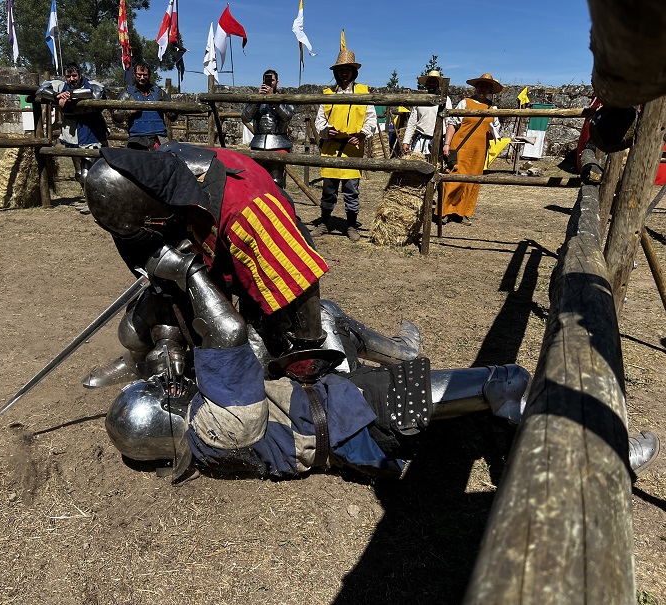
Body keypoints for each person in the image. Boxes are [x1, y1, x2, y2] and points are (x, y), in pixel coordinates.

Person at [101, 239, 661, 481]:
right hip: (362, 419)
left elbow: (190, 355)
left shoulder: (203, 434)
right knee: (505, 379)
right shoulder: (221, 423)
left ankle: (412, 360)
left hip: (337, 404)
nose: (168, 387)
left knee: (327, 320)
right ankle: (599, 454)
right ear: (167, 417)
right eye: (162, 396)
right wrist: (188, 272)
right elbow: (229, 335)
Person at [80, 143, 424, 389]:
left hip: (266, 263)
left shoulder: (249, 210)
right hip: (208, 258)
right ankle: (136, 360)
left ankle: (400, 353)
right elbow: (148, 254)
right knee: (141, 321)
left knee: (257, 359)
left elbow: (299, 282)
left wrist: (307, 350)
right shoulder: (148, 175)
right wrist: (166, 335)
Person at [312, 48, 378, 242]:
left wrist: (363, 134)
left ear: (353, 71)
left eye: (348, 69)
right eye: (341, 69)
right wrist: (326, 131)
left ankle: (351, 226)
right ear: (336, 72)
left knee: (351, 190)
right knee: (328, 190)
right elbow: (319, 120)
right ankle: (324, 223)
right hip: (332, 148)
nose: (344, 72)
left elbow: (370, 119)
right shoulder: (327, 93)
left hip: (352, 148)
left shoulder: (363, 92)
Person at [440, 73, 502, 226]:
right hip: (461, 147)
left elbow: (496, 129)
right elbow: (452, 124)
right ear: (476, 86)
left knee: (473, 182)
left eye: (486, 86)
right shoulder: (465, 103)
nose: (483, 88)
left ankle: (463, 213)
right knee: (454, 178)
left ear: (490, 89)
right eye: (481, 85)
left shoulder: (493, 108)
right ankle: (444, 211)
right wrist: (447, 144)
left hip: (479, 151)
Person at [35, 63, 109, 188]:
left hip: (92, 129)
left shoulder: (92, 85)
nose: (71, 79)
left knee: (96, 170)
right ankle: (86, 198)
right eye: (68, 76)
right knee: (80, 172)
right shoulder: (61, 86)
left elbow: (97, 96)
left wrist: (71, 96)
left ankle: (98, 200)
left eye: (74, 75)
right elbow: (40, 90)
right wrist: (56, 96)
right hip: (72, 131)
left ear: (80, 75)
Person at [241, 69, 294, 188]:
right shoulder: (256, 99)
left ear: (277, 83)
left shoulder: (285, 99)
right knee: (257, 181)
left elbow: (287, 117)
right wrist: (257, 100)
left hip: (278, 143)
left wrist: (274, 100)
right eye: (267, 80)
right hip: (258, 143)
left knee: (276, 181)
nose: (270, 83)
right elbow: (245, 117)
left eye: (273, 80)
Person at [112, 60, 177, 150]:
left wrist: (165, 108)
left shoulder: (158, 93)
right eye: (139, 75)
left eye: (145, 75)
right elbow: (115, 116)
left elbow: (173, 116)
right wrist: (130, 111)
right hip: (136, 139)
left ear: (149, 75)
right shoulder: (128, 93)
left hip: (159, 138)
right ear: (135, 74)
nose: (142, 78)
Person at [401, 70, 453, 161]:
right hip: (420, 141)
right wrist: (406, 141)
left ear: (438, 84)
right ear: (426, 84)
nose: (432, 84)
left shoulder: (445, 100)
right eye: (430, 82)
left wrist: (447, 144)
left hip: (439, 141)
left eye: (434, 82)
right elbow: (412, 122)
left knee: (436, 168)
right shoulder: (420, 100)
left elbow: (449, 122)